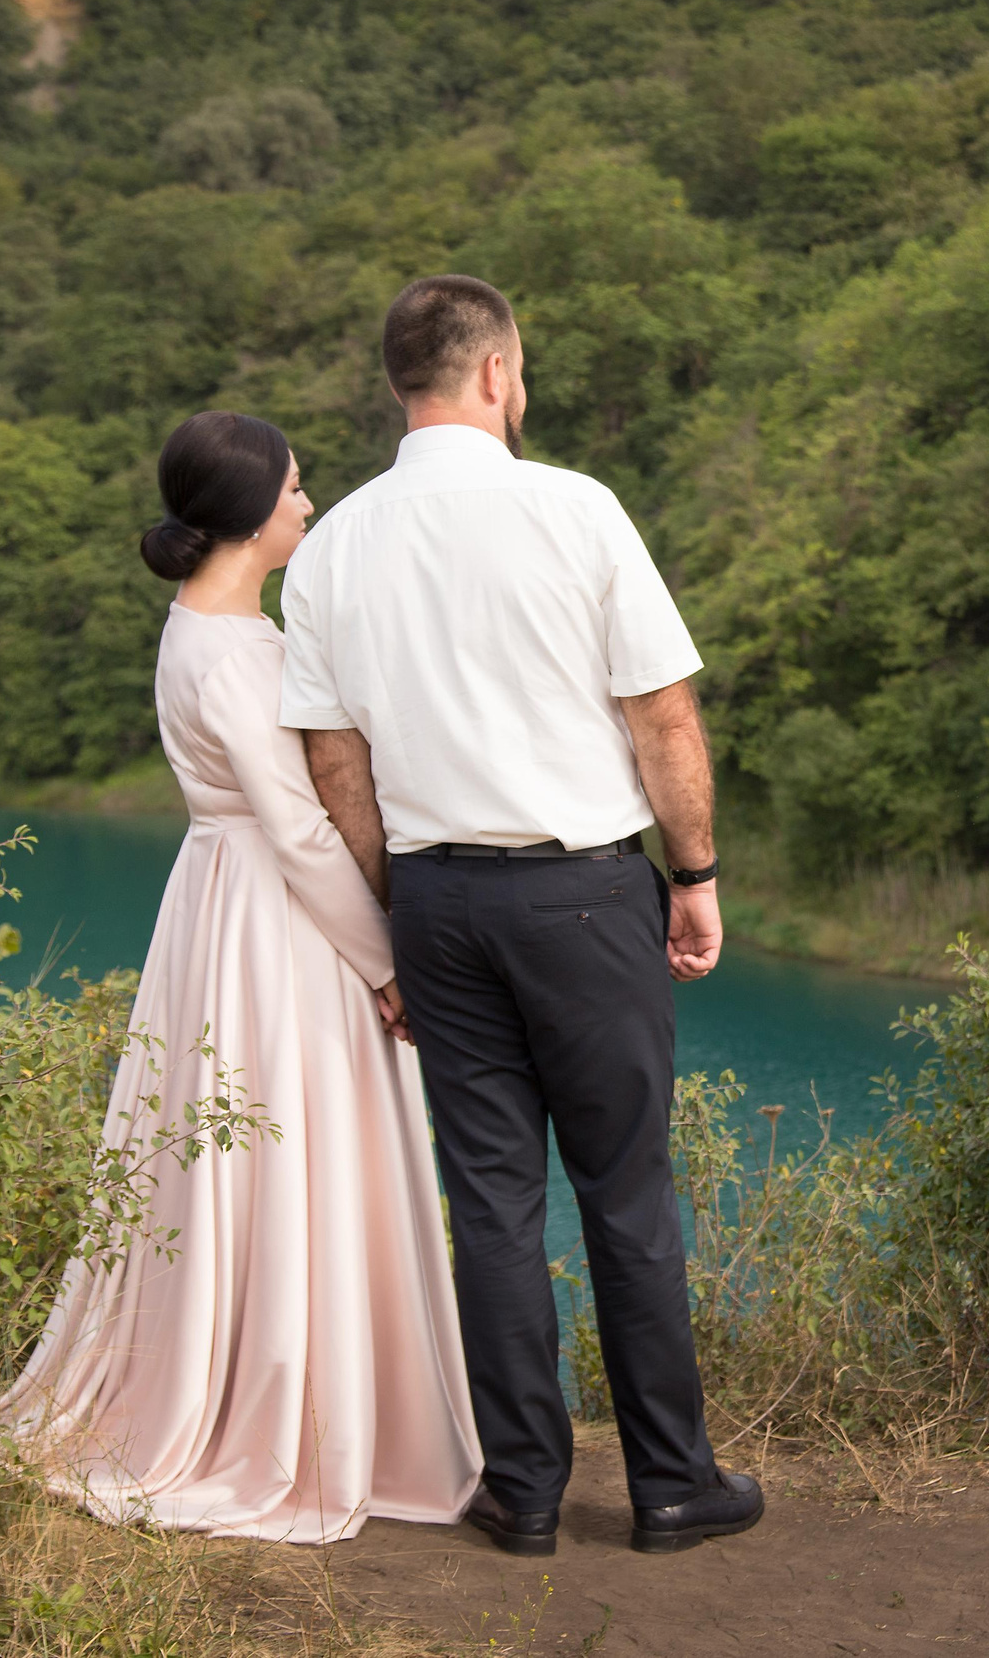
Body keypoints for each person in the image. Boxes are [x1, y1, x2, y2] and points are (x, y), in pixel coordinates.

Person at [0, 411, 483, 1541]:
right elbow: (305, 832)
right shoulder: (237, 652)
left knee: (251, 1146)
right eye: (298, 490)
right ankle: (295, 1417)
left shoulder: (198, 631)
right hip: (275, 919)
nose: (309, 506)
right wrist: (387, 962)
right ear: (253, 512)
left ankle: (296, 1389)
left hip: (220, 907)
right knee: (284, 1137)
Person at [279, 275, 762, 1556]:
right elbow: (661, 716)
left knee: (489, 1206)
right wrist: (696, 874)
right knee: (625, 1193)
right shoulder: (575, 508)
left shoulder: (332, 548)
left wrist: (402, 921)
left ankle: (526, 1495)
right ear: (497, 374)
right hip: (585, 896)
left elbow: (336, 769)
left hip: (435, 900)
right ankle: (670, 1486)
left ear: (401, 386)